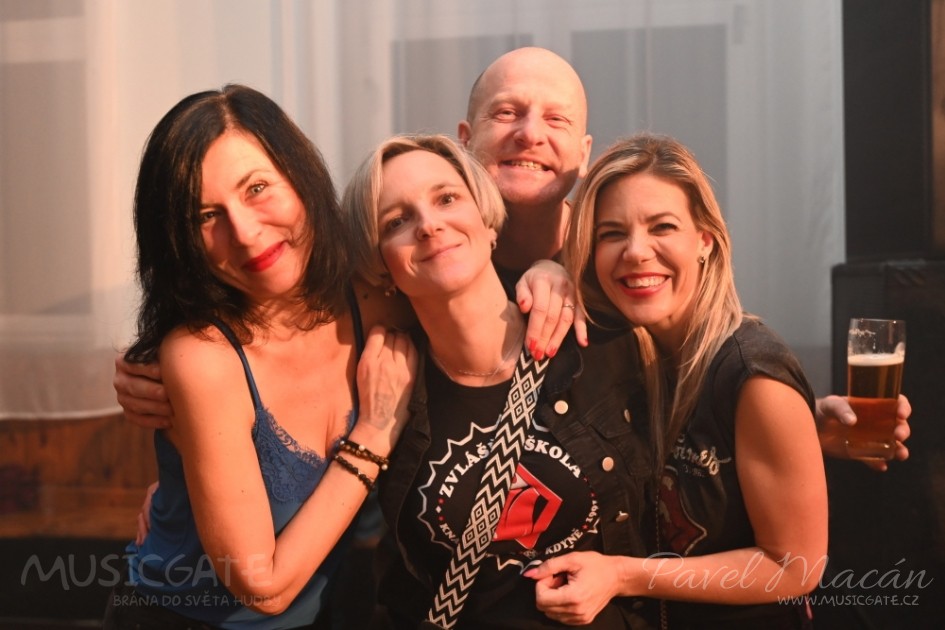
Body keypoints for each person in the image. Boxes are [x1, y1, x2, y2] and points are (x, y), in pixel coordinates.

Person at [113, 46, 911, 468]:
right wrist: (155, 370)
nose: (530, 132)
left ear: (583, 152)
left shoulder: (618, 264)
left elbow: (690, 379)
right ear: (464, 141)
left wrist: (798, 425)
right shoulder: (418, 256)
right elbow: (286, 321)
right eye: (506, 113)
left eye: (554, 119)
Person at [102, 84, 417, 629]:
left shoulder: (379, 299)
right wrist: (374, 433)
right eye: (206, 216)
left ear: (300, 175)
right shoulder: (202, 355)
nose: (245, 234)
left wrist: (550, 275)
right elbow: (260, 587)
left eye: (257, 188)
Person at [342, 133, 655, 629]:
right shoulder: (383, 385)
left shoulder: (600, 344)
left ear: (488, 222)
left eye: (447, 198)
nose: (429, 225)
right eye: (396, 221)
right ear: (381, 266)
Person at [527, 132, 829, 628]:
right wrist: (544, 269)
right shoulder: (628, 352)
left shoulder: (753, 373)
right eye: (611, 234)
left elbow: (794, 568)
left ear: (704, 240)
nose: (636, 252)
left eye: (662, 226)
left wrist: (622, 575)